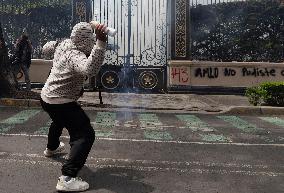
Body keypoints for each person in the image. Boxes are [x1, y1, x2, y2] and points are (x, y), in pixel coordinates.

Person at [40, 21, 107, 192]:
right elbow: (89, 69)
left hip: (47, 96)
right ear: (86, 41)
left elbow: (47, 48)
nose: (93, 41)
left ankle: (52, 148)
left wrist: (91, 26)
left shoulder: (64, 43)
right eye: (91, 38)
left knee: (58, 121)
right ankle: (67, 178)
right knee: (85, 134)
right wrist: (101, 42)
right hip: (61, 100)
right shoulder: (75, 55)